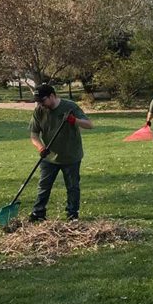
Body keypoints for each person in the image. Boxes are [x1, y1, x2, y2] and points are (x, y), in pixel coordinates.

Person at [29, 83, 94, 222]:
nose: (40, 104)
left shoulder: (70, 106)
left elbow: (89, 125)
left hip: (71, 156)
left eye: (42, 100)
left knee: (72, 187)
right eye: (38, 101)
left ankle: (72, 215)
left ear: (52, 96)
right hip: (49, 157)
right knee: (44, 186)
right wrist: (41, 148)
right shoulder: (39, 111)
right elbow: (34, 135)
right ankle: (38, 213)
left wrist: (74, 120)